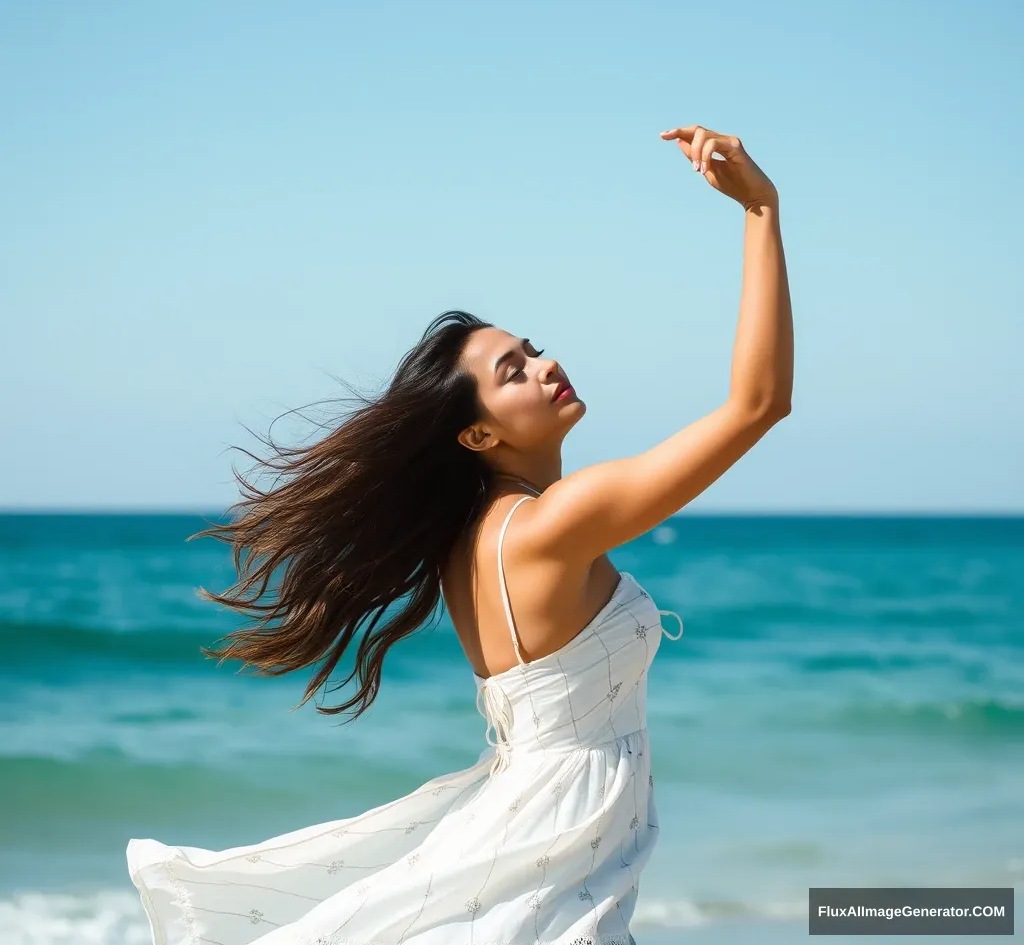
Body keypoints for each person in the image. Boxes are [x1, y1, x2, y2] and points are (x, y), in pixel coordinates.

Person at [126, 123, 793, 945]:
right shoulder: (554, 522)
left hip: (539, 831)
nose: (546, 367)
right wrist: (760, 210)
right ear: (476, 436)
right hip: (552, 853)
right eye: (514, 371)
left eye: (534, 351)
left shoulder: (474, 537)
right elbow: (757, 406)